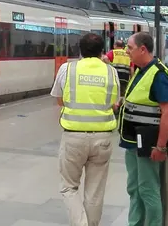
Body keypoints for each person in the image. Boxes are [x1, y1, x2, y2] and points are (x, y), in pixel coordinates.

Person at [51, 33, 120, 226]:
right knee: (95, 192)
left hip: (73, 138)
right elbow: (114, 103)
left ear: (79, 50)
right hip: (103, 139)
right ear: (102, 51)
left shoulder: (67, 69)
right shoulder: (111, 72)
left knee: (69, 187)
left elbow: (59, 100)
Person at [119, 32, 168, 226]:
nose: (126, 51)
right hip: (132, 141)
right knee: (134, 188)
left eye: (130, 48)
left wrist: (160, 147)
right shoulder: (141, 70)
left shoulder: (158, 74)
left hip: (147, 144)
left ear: (143, 49)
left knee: (148, 190)